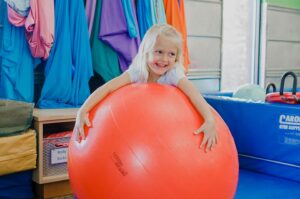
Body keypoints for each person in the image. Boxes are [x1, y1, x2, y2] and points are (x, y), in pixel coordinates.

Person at [74, 24, 218, 151]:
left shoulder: (173, 73)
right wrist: (83, 110)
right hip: (143, 128)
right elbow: (108, 88)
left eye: (171, 54)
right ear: (146, 52)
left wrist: (209, 120)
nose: (164, 59)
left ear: (176, 58)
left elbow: (194, 93)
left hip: (168, 128)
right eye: (159, 52)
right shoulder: (138, 71)